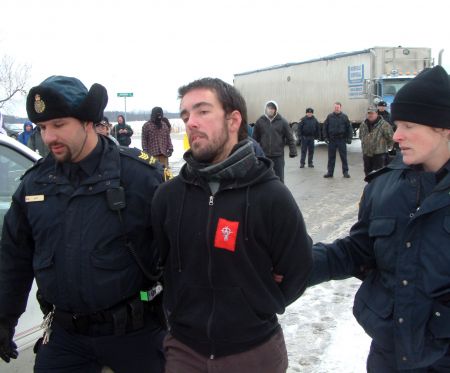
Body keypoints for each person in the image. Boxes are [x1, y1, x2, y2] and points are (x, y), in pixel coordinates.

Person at [0, 75, 166, 372]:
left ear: (87, 121)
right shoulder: (35, 184)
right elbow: (14, 258)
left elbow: (176, 253)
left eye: (59, 125)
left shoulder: (138, 177)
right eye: (42, 128)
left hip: (135, 335)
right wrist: (3, 318)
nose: (48, 137)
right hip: (66, 337)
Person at [151, 78, 313, 373]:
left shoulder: (271, 196)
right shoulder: (168, 197)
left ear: (233, 119)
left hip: (254, 351)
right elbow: (159, 264)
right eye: (186, 115)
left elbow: (297, 271)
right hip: (184, 352)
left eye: (202, 112)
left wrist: (256, 303)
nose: (191, 123)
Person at [309, 65, 450, 372]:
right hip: (388, 356)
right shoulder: (383, 186)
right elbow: (358, 252)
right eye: (397, 124)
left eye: (409, 125)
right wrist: (297, 263)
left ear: (444, 128)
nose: (397, 135)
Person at [253, 101, 297, 183]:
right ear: (266, 109)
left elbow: (290, 137)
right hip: (264, 155)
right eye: (269, 108)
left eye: (273, 108)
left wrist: (293, 151)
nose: (270, 110)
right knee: (264, 177)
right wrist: (253, 151)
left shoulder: (282, 121)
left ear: (276, 110)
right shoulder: (260, 121)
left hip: (278, 155)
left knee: (279, 178)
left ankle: (280, 194)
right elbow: (254, 138)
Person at [359, 106, 394, 176]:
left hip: (380, 155)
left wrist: (387, 148)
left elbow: (391, 138)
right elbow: (361, 136)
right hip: (367, 155)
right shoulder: (363, 125)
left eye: (372, 113)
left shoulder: (384, 125)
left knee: (379, 175)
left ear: (377, 113)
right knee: (368, 174)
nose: (370, 115)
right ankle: (370, 186)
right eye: (369, 113)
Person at [322, 102, 353, 178]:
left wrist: (349, 138)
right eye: (335, 107)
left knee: (343, 157)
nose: (336, 108)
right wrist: (325, 137)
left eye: (338, 107)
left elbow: (349, 128)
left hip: (341, 139)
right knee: (331, 157)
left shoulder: (344, 117)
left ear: (340, 108)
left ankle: (345, 172)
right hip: (332, 140)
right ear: (334, 108)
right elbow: (325, 127)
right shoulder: (329, 117)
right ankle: (330, 172)